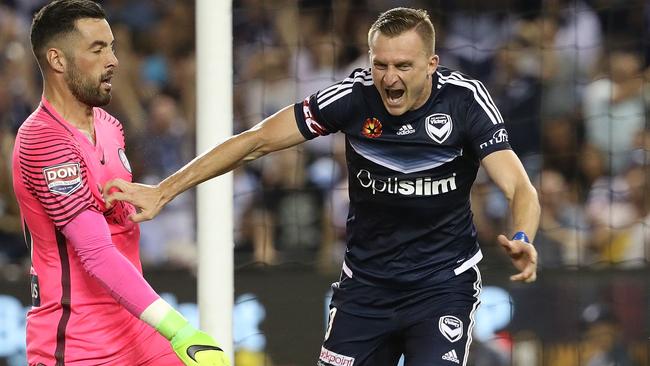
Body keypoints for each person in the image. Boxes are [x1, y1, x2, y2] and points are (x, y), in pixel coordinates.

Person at [106, 7, 539, 366]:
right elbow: (254, 143)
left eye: (403, 66)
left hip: (442, 286)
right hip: (366, 287)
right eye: (380, 64)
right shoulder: (352, 98)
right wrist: (164, 189)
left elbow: (519, 187)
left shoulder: (465, 102)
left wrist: (521, 235)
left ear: (431, 64)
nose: (389, 78)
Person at [12, 1, 229, 365]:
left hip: (139, 333)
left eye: (111, 46)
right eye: (97, 49)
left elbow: (118, 228)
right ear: (58, 60)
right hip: (80, 346)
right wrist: (179, 329)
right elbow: (95, 252)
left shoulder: (110, 127)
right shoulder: (42, 139)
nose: (112, 60)